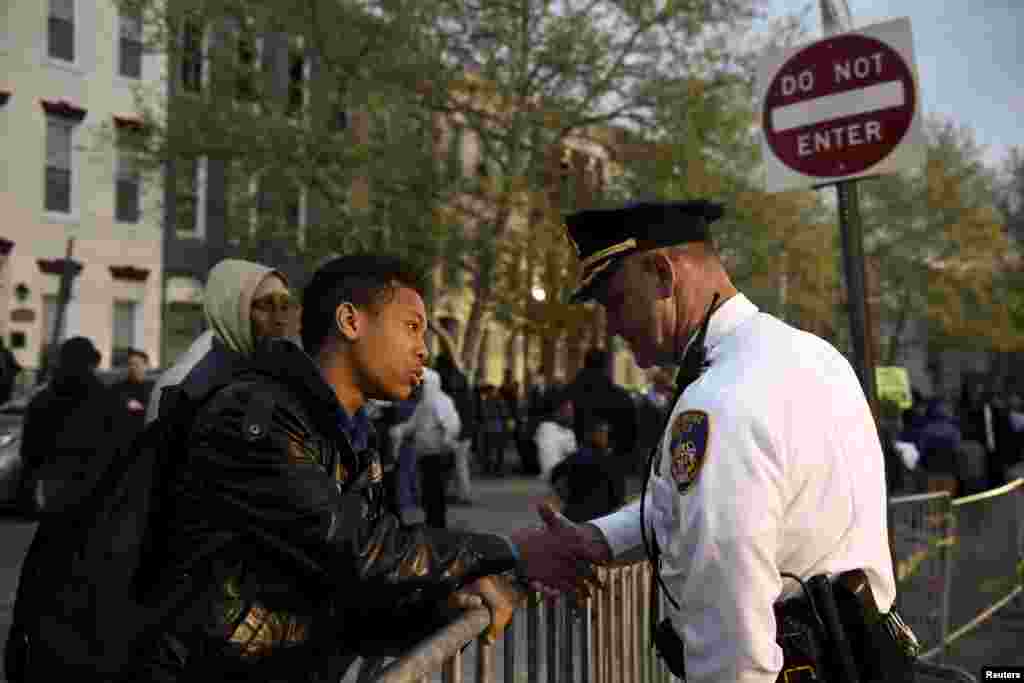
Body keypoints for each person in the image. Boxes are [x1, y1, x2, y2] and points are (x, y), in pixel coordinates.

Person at [510, 200, 906, 683]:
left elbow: (731, 633)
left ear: (662, 274)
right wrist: (599, 538)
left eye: (615, 302)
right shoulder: (812, 354)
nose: (612, 327)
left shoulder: (719, 402)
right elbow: (713, 507)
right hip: (861, 656)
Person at [141, 254, 529, 681]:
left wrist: (444, 603)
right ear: (350, 321)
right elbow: (353, 548)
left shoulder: (353, 435)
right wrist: (508, 550)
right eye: (412, 327)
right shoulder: (257, 415)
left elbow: (354, 597)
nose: (423, 350)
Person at [146, 259, 296, 424]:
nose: (280, 319)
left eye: (285, 305)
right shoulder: (184, 384)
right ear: (231, 309)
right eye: (266, 305)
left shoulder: (286, 377)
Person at [19, 337, 119, 514]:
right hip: (94, 480)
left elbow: (30, 449)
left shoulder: (43, 399)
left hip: (56, 479)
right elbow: (118, 443)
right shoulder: (105, 399)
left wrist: (28, 487)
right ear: (93, 363)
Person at [565, 348, 637, 493]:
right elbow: (630, 431)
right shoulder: (619, 397)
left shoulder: (571, 391)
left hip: (578, 458)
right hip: (612, 458)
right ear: (605, 365)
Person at [549, 418, 622, 524]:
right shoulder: (610, 462)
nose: (604, 437)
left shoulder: (577, 456)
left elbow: (555, 475)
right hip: (600, 519)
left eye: (605, 433)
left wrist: (562, 494)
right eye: (601, 433)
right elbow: (618, 496)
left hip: (574, 515)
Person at [110, 349, 154, 442]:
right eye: (130, 364)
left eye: (136, 364)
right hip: (123, 437)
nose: (132, 368)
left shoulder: (154, 388)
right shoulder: (117, 388)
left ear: (146, 366)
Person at [534, 390, 578, 481]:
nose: (572, 414)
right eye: (569, 411)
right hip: (560, 480)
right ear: (558, 412)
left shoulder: (548, 429)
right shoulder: (552, 433)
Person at [0, 336, 22, 404]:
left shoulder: (7, 353)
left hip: (5, 384)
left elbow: (18, 367)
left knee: (4, 404)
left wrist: (10, 376)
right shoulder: (6, 353)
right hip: (5, 383)